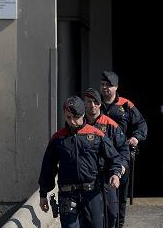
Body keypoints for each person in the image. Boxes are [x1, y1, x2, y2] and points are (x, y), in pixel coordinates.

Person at [39, 96, 123, 228]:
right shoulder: (57, 139)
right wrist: (43, 193)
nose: (72, 121)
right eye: (68, 117)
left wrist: (116, 174)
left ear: (83, 114)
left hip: (92, 194)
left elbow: (114, 158)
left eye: (75, 117)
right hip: (67, 195)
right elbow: (48, 168)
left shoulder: (96, 135)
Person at [99, 71, 147, 228]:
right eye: (102, 85)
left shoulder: (126, 105)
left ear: (116, 87)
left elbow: (141, 124)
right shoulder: (95, 104)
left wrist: (136, 137)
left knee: (120, 193)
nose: (105, 88)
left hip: (121, 155)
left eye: (109, 85)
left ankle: (119, 224)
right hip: (99, 155)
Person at [83, 88, 130, 228]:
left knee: (111, 213)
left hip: (108, 177)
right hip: (87, 179)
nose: (92, 105)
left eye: (95, 102)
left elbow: (124, 150)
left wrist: (117, 172)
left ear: (100, 104)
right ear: (84, 104)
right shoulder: (79, 125)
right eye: (89, 102)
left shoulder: (111, 125)